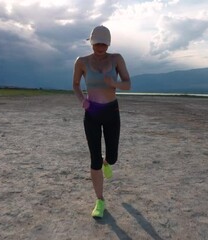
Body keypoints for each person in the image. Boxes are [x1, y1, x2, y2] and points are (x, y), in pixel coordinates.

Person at [72, 25, 131, 218]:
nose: (100, 47)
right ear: (91, 42)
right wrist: (83, 101)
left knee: (112, 157)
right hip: (92, 112)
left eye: (104, 44)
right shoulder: (82, 61)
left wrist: (115, 84)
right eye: (97, 43)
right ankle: (100, 200)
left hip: (111, 110)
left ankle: (108, 162)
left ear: (109, 43)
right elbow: (75, 84)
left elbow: (128, 84)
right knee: (94, 159)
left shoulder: (116, 59)